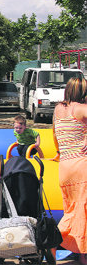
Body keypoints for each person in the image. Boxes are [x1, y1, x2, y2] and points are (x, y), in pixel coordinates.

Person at [52, 77, 87, 264]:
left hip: (65, 166)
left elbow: (55, 134)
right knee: (83, 211)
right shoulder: (81, 109)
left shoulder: (59, 109)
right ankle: (80, 254)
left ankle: (60, 243)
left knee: (72, 210)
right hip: (82, 166)